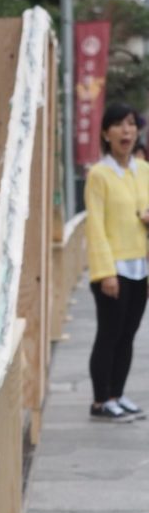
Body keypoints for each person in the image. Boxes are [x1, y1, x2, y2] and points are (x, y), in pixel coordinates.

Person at [84, 102, 149, 421]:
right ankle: (100, 401)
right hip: (114, 269)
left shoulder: (144, 171)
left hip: (141, 267)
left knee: (128, 334)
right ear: (105, 133)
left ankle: (117, 395)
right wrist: (105, 272)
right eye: (120, 125)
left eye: (132, 124)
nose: (127, 131)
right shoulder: (100, 174)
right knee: (109, 334)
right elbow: (95, 225)